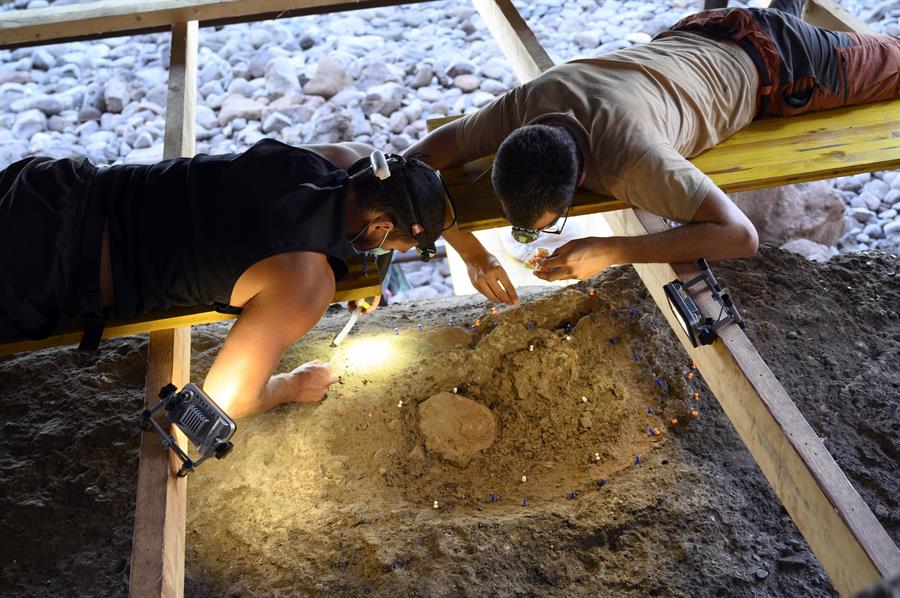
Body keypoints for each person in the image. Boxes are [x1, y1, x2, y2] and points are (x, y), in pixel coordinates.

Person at [405, 0, 900, 288]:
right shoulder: (526, 104)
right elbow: (413, 163)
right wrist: (472, 252)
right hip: (710, 28)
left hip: (784, 65)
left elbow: (739, 235)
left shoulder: (632, 161)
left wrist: (614, 249)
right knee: (783, 14)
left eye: (551, 222)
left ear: (580, 179)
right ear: (512, 140)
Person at [0, 139, 450, 418]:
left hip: (49, 185)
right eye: (395, 247)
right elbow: (226, 399)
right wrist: (291, 385)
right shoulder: (306, 284)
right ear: (380, 228)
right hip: (40, 269)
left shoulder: (334, 157)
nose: (386, 253)